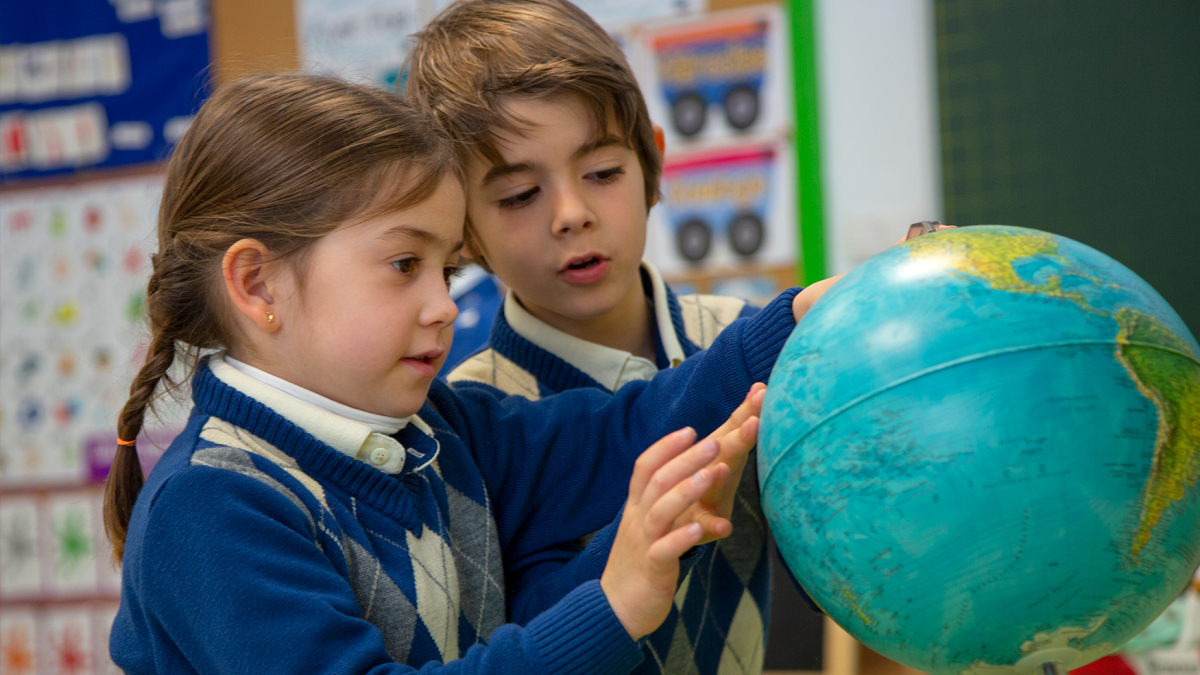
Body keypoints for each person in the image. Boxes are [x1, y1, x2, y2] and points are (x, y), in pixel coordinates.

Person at [103, 74, 816, 674]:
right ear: (258, 285)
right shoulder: (213, 508)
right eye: (405, 265)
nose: (444, 306)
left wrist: (791, 324)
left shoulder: (441, 427)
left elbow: (619, 428)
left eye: (445, 268)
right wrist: (613, 603)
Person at [405, 2, 782, 671]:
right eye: (520, 194)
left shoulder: (745, 338)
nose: (572, 215)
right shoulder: (466, 427)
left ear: (653, 167)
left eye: (603, 173)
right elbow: (514, 637)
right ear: (462, 232)